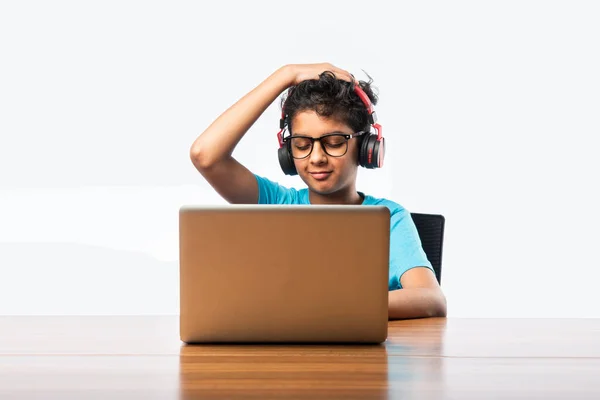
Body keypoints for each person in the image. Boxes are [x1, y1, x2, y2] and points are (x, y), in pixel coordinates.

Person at [190, 63, 447, 320]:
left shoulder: (389, 218)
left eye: (334, 143)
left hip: (365, 357)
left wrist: (326, 307)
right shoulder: (275, 203)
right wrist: (286, 75)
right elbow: (206, 156)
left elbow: (431, 298)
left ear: (367, 147)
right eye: (301, 145)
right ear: (288, 152)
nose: (316, 158)